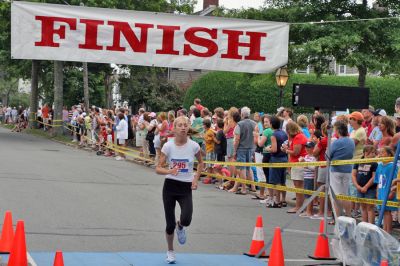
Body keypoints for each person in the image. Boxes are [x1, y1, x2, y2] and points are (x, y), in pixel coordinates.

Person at [156, 116, 204, 264]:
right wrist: (169, 171)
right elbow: (158, 168)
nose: (183, 127)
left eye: (185, 125)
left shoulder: (194, 146)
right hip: (170, 186)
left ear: (188, 127)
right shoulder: (168, 146)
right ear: (174, 128)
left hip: (185, 187)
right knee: (169, 224)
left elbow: (201, 163)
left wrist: (195, 179)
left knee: (187, 219)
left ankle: (181, 226)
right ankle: (170, 251)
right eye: (180, 125)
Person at [329, 121, 355, 218]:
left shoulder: (336, 142)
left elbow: (328, 155)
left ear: (338, 131)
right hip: (347, 169)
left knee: (336, 195)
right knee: (345, 194)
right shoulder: (351, 141)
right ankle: (348, 216)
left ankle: (337, 217)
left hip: (336, 170)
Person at [282, 121, 308, 213]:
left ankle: (298, 207)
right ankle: (301, 206)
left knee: (298, 187)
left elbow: (296, 152)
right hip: (298, 164)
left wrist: (286, 150)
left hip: (298, 164)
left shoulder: (298, 137)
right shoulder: (300, 136)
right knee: (299, 187)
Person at [230, 107, 256, 194]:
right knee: (249, 168)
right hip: (251, 148)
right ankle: (253, 186)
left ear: (242, 114)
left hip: (241, 148)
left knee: (242, 169)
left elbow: (237, 139)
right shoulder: (254, 124)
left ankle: (244, 188)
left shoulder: (239, 124)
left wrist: (234, 151)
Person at [265, 116, 288, 208]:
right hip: (284, 158)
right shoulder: (284, 133)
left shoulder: (274, 135)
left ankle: (277, 201)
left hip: (276, 159)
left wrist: (268, 148)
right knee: (283, 181)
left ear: (271, 124)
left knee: (276, 181)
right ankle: (283, 199)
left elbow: (274, 149)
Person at [374, 146, 398, 233]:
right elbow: (378, 180)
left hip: (388, 190)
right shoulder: (379, 165)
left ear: (388, 154)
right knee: (383, 211)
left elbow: (395, 179)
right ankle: (384, 229)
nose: (380, 154)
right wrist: (377, 191)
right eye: (380, 152)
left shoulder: (392, 166)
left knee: (387, 211)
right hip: (381, 191)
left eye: (383, 152)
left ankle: (388, 231)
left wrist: (392, 191)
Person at [352, 145, 378, 224]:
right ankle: (364, 225)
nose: (374, 155)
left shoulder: (374, 163)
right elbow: (353, 175)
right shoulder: (358, 162)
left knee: (370, 208)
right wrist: (357, 186)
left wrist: (366, 187)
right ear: (366, 153)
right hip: (359, 188)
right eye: (372, 153)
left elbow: (374, 177)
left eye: (374, 153)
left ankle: (370, 226)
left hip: (370, 189)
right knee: (362, 207)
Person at [256, 115, 273, 202]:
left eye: (267, 122)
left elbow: (260, 144)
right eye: (264, 122)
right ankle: (272, 197)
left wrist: (258, 137)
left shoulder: (266, 131)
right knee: (271, 176)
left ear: (271, 122)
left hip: (266, 154)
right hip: (272, 155)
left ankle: (270, 197)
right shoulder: (273, 131)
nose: (265, 123)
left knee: (268, 176)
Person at [299, 141, 317, 217]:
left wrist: (305, 163)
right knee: (306, 194)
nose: (307, 149)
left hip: (310, 178)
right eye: (306, 147)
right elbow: (304, 166)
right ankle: (308, 210)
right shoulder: (306, 156)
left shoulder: (314, 157)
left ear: (313, 148)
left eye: (309, 147)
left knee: (309, 195)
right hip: (306, 177)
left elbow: (313, 168)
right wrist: (302, 162)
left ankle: (309, 211)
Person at [203, 119, 215, 183]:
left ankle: (209, 177)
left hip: (210, 149)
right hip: (208, 149)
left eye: (203, 125)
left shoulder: (210, 132)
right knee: (209, 165)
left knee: (209, 165)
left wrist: (203, 137)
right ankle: (209, 177)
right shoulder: (207, 131)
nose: (202, 126)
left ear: (205, 125)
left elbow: (209, 141)